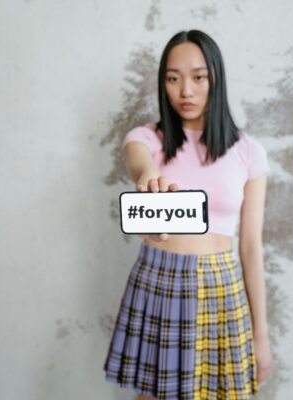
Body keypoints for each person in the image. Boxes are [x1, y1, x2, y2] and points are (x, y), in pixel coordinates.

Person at [103, 29, 273, 400]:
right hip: (158, 280)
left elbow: (250, 249)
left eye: (198, 77)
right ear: (163, 83)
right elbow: (138, 161)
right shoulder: (147, 138)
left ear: (215, 78)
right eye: (173, 78)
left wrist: (261, 336)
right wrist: (148, 176)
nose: (186, 91)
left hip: (221, 287)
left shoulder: (248, 152)